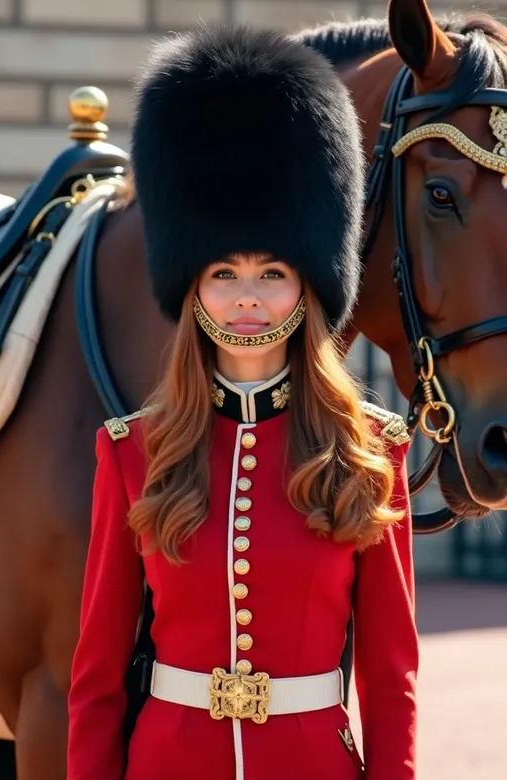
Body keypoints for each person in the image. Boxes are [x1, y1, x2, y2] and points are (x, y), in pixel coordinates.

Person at [67, 24, 418, 780]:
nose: (248, 300)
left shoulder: (373, 451)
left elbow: (391, 688)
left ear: (309, 285)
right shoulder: (132, 451)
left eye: (273, 273)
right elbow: (94, 684)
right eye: (224, 273)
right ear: (191, 286)